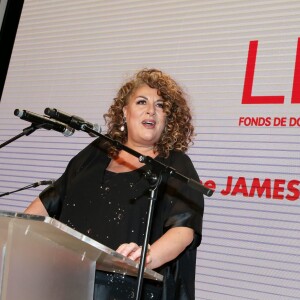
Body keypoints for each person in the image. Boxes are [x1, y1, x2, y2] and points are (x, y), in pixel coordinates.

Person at [25, 68, 204, 300]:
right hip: (67, 282)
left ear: (168, 119)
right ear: (125, 112)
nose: (151, 110)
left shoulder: (174, 164)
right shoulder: (95, 153)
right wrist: (16, 236)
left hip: (130, 290)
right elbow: (49, 202)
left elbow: (183, 230)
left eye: (161, 106)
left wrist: (146, 256)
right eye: (142, 102)